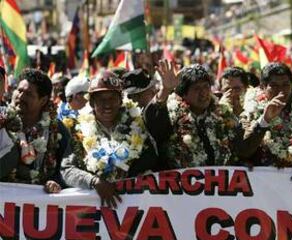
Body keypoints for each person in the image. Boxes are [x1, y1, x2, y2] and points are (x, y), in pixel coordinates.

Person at [61, 71, 158, 208]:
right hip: (92, 212)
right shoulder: (76, 130)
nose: (107, 104)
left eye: (112, 98)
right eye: (101, 99)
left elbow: (152, 161)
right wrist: (94, 181)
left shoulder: (138, 125)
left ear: (120, 100)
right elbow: (67, 170)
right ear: (92, 102)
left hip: (134, 207)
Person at [146, 64, 244, 169]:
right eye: (197, 88)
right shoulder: (171, 115)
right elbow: (153, 123)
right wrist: (165, 90)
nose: (203, 93)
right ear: (183, 93)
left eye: (206, 86)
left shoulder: (223, 114)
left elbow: (242, 148)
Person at [0, 68, 69, 193]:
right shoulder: (2, 120)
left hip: (39, 203)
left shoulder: (56, 129)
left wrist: (56, 181)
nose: (20, 96)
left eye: (28, 94)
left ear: (43, 100)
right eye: (19, 90)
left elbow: (68, 166)